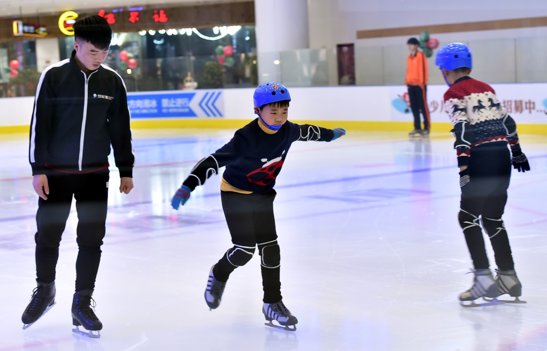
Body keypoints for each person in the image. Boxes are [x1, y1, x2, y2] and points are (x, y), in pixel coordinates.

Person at [171, 82, 346, 330]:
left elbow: (307, 132)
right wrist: (188, 186)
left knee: (271, 249)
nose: (280, 117)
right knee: (244, 251)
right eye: (273, 112)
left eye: (284, 111)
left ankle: (272, 302)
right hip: (235, 193)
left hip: (262, 195)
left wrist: (330, 135)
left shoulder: (288, 130)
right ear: (257, 110)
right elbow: (213, 160)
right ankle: (219, 273)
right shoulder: (245, 138)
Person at [22, 15, 135, 336]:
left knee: (91, 239)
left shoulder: (112, 81)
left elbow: (121, 129)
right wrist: (38, 168)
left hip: (95, 175)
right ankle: (45, 291)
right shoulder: (54, 76)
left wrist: (125, 168)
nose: (98, 58)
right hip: (56, 175)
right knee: (47, 235)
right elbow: (39, 125)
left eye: (104, 53)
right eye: (92, 52)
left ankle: (82, 302)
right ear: (76, 45)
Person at [435, 42, 530, 305]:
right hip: (502, 158)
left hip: (481, 159)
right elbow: (508, 123)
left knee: (467, 217)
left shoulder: (454, 93)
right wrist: (517, 152)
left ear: (445, 69)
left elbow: (462, 129)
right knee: (493, 218)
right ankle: (508, 277)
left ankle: (483, 278)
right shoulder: (486, 88)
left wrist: (463, 167)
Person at [405, 37, 430, 137]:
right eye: (409, 45)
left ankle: (426, 128)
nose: (410, 47)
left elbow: (424, 70)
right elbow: (408, 70)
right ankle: (417, 128)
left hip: (420, 85)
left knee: (423, 107)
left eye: (411, 44)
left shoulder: (421, 55)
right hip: (411, 86)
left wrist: (422, 83)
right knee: (414, 108)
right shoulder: (408, 57)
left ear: (416, 45)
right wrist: (407, 81)